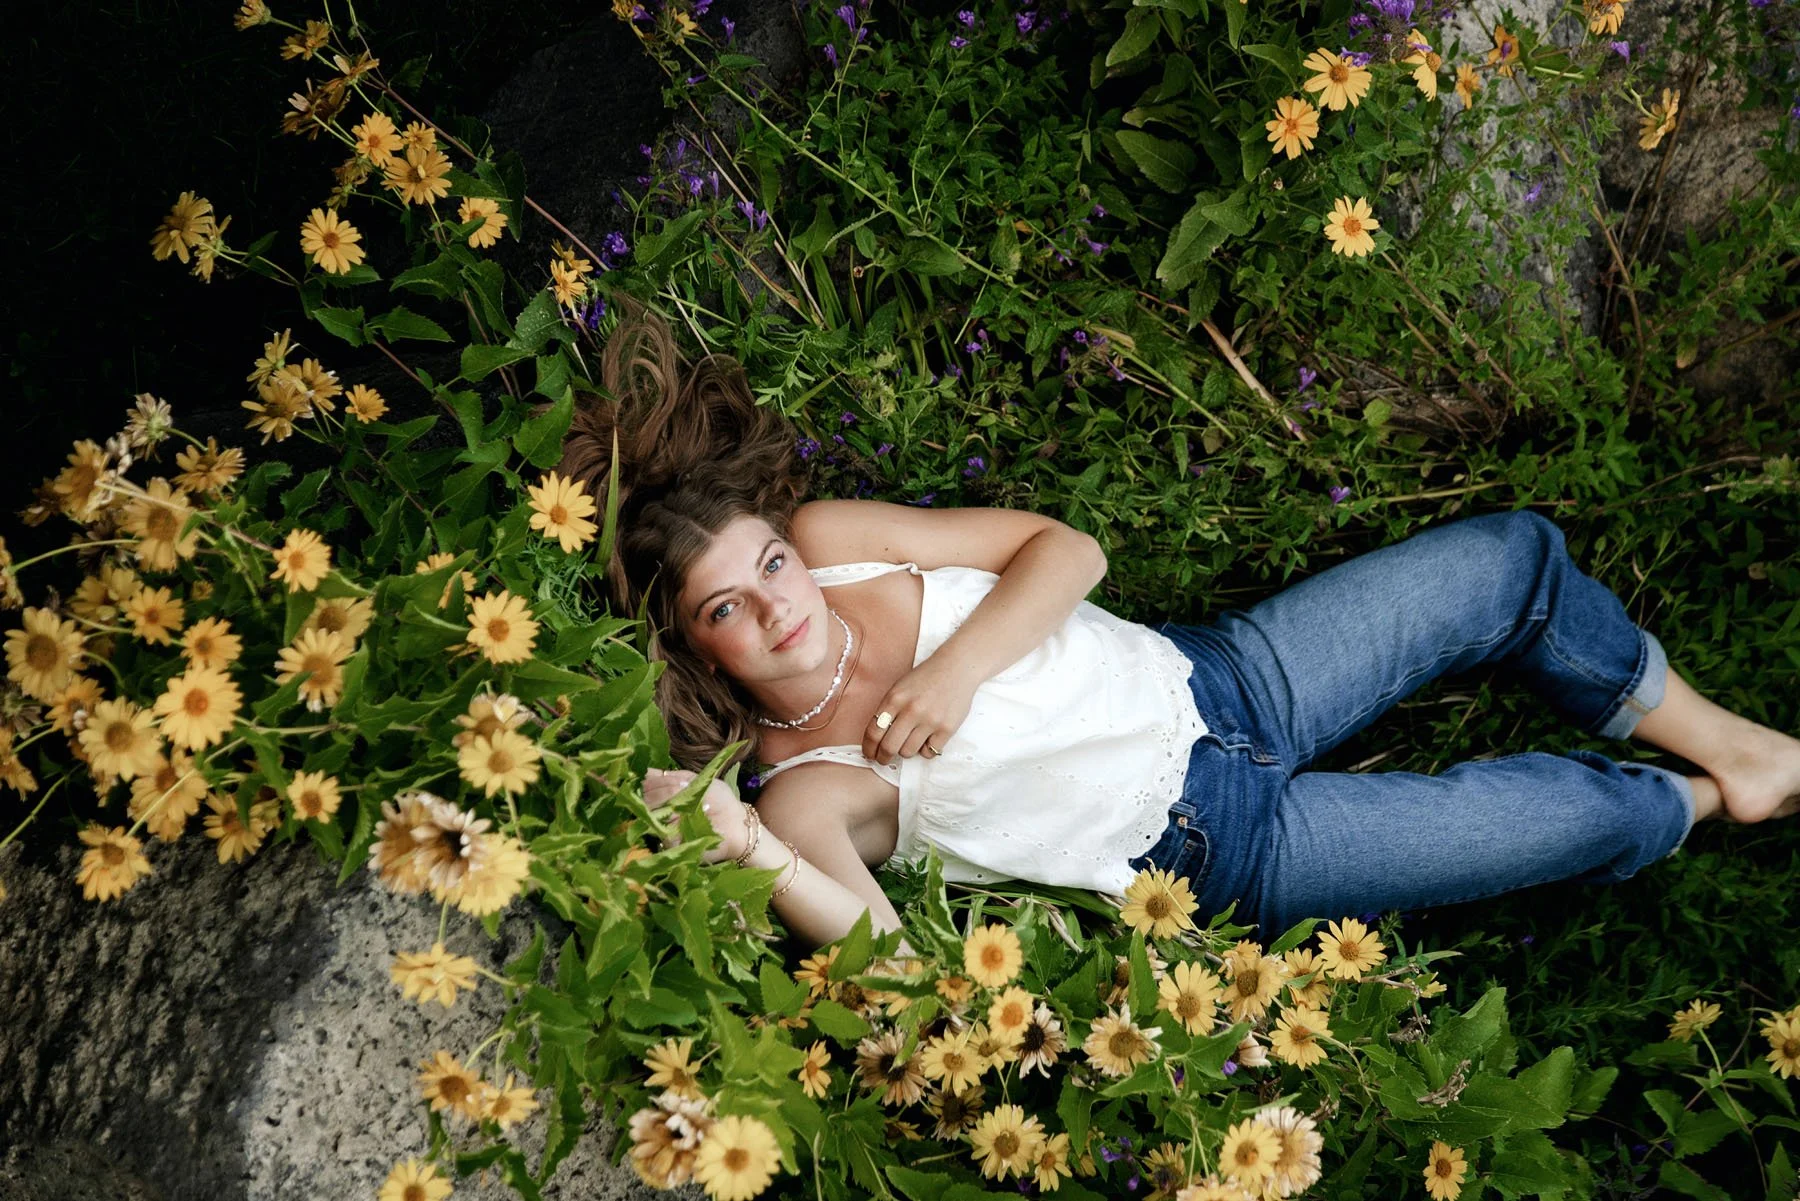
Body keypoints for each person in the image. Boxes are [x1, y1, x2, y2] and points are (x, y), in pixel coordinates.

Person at [556, 302, 1800, 950]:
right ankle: (1694, 800)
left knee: (1509, 557)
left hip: (1226, 674)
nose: (782, 604)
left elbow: (1069, 550)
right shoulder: (801, 791)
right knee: (1580, 819)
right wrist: (743, 846)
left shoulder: (836, 542)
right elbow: (883, 963)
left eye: (768, 565)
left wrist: (956, 673)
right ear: (698, 646)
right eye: (731, 607)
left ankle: (1736, 746)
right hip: (1224, 855)